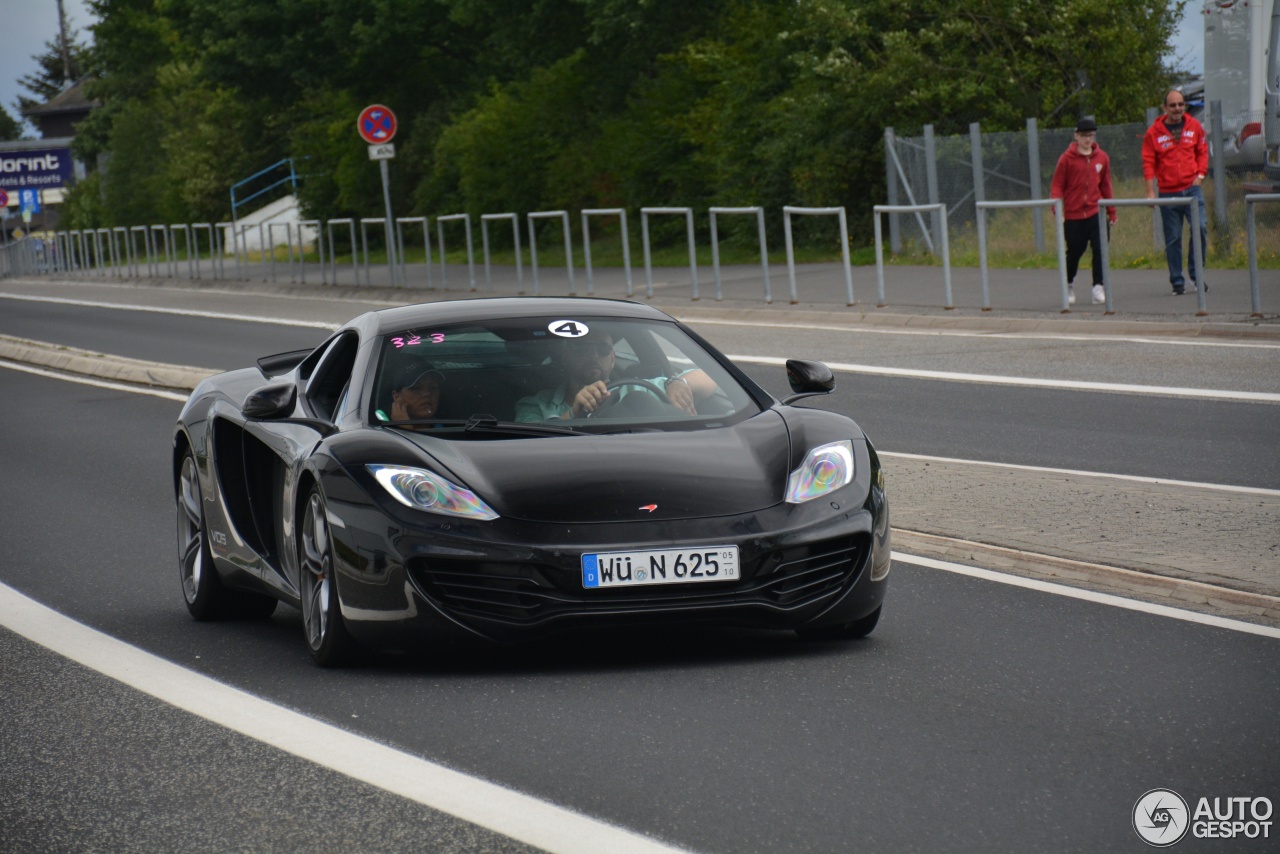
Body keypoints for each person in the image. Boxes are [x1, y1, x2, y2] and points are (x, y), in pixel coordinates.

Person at [515, 332, 716, 422]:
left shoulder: (638, 388)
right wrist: (573, 414)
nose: (594, 355)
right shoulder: (536, 404)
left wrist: (678, 382)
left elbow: (710, 378)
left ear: (612, 359)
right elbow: (525, 443)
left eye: (602, 349)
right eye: (583, 348)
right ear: (566, 358)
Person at [1142, 88, 1210, 295]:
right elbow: (1148, 162)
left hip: (1192, 189)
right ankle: (1177, 281)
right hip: (1168, 193)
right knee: (1172, 238)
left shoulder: (1194, 126)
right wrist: (1150, 191)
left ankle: (1196, 275)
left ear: (1185, 106)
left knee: (1200, 228)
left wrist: (1200, 175)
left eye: (1180, 104)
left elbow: (1202, 152)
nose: (1177, 109)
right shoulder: (1154, 132)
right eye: (1172, 105)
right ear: (1165, 108)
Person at [1050, 117, 1116, 305]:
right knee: (1075, 252)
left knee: (1100, 248)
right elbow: (1057, 187)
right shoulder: (1066, 160)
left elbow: (1106, 186)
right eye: (1084, 136)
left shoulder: (1102, 157)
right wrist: (1058, 210)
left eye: (1091, 136)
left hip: (1096, 211)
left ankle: (1098, 286)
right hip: (1073, 215)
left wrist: (1111, 211)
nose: (1088, 140)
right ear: (1076, 136)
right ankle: (1068, 284)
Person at [379, 361, 444, 423]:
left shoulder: (448, 428)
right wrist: (404, 426)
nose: (427, 394)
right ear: (396, 397)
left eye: (433, 388)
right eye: (416, 388)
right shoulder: (382, 431)